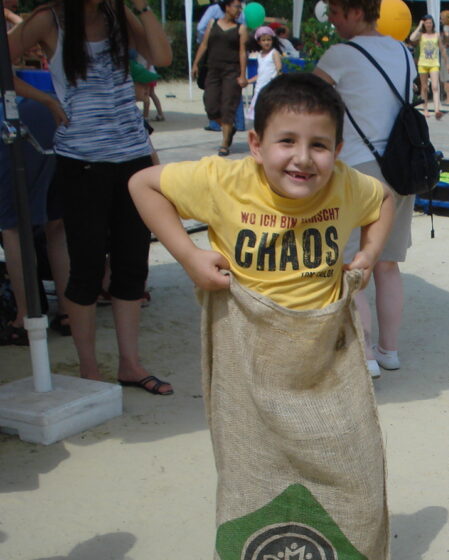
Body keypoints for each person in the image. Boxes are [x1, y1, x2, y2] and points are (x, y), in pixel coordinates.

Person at [129, 72, 394, 316]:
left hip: (320, 334)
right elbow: (143, 184)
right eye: (287, 141)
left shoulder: (343, 183)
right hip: (244, 334)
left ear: (336, 152)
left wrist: (370, 253)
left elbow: (384, 199)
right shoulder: (226, 181)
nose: (303, 159)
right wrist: (188, 256)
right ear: (256, 145)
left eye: (318, 145)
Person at [11, 0, 173, 394]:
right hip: (81, 159)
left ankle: (130, 364)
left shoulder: (119, 14)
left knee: (132, 263)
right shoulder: (50, 20)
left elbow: (162, 56)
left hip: (132, 155)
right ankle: (89, 370)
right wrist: (45, 98)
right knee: (86, 267)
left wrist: (140, 6)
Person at [314, 0, 416, 378]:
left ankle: (365, 354)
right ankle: (389, 350)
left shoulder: (340, 55)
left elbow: (306, 100)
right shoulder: (403, 51)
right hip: (401, 167)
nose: (332, 20)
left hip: (359, 168)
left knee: (352, 265)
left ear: (356, 11)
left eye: (336, 13)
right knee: (387, 264)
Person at [0, 95, 70, 345]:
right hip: (55, 116)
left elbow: (11, 77)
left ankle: (25, 318)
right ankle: (68, 312)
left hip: (18, 118)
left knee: (13, 227)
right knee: (56, 225)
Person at [192, 0, 248, 156]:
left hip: (232, 71)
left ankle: (225, 143)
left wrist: (243, 75)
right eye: (236, 7)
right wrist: (195, 63)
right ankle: (228, 128)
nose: (239, 10)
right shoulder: (213, 23)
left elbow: (243, 52)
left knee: (228, 106)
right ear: (227, 7)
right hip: (213, 70)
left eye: (240, 7)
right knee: (210, 104)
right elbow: (204, 44)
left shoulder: (241, 28)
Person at [410, 15, 444, 121]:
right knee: (424, 87)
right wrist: (420, 25)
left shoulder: (437, 35)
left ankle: (437, 109)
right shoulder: (421, 35)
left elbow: (442, 49)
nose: (429, 24)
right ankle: (425, 109)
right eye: (427, 23)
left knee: (435, 86)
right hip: (423, 63)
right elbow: (412, 38)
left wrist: (446, 63)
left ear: (433, 24)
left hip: (434, 63)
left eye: (430, 22)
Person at [245, 26, 282, 121]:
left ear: (272, 40)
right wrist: (248, 81)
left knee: (268, 114)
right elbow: (260, 74)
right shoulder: (259, 55)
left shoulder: (274, 53)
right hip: (259, 89)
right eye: (263, 40)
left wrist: (275, 79)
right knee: (258, 115)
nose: (266, 42)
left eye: (269, 40)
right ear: (259, 42)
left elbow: (278, 68)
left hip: (270, 89)